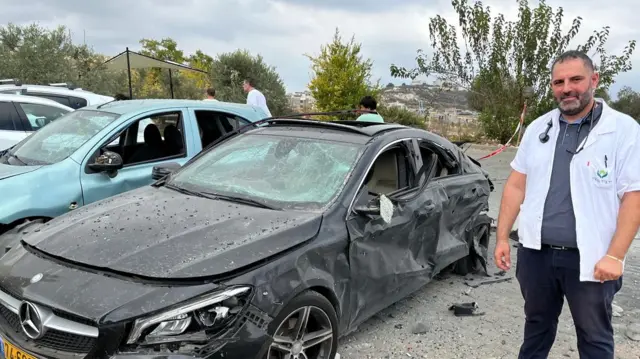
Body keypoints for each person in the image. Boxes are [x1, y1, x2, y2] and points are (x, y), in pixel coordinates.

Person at [495, 50, 640, 359]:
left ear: (594, 80)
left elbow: (634, 196)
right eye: (558, 82)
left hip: (592, 259)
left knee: (594, 337)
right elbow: (516, 185)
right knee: (536, 327)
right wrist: (502, 237)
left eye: (576, 79)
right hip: (536, 255)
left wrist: (615, 255)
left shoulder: (624, 131)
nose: (567, 88)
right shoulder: (538, 129)